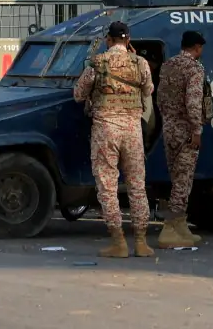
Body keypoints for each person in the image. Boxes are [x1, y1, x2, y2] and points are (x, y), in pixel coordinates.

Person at [74, 20, 155, 258]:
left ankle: (118, 242)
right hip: (132, 131)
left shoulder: (97, 63)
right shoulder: (141, 63)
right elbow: (148, 91)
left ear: (108, 40)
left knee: (108, 186)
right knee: (137, 186)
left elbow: (78, 95)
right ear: (128, 40)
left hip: (106, 130)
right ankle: (141, 242)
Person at [155, 30, 207, 247]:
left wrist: (169, 119)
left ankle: (181, 227)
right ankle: (168, 230)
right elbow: (193, 103)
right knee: (183, 182)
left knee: (177, 177)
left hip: (169, 128)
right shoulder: (194, 68)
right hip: (186, 130)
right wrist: (196, 130)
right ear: (197, 48)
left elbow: (159, 98)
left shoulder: (168, 66)